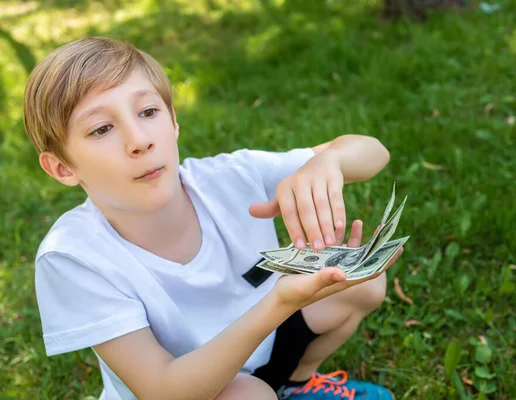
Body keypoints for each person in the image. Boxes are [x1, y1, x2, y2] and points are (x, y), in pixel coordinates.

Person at [23, 37, 404, 400]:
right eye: (102, 129)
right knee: (249, 395)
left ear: (172, 121)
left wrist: (329, 160)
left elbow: (374, 153)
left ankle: (295, 384)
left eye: (148, 111)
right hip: (187, 388)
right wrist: (280, 304)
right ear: (61, 168)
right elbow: (162, 390)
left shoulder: (229, 178)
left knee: (361, 284)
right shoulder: (72, 256)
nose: (139, 139)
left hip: (260, 344)